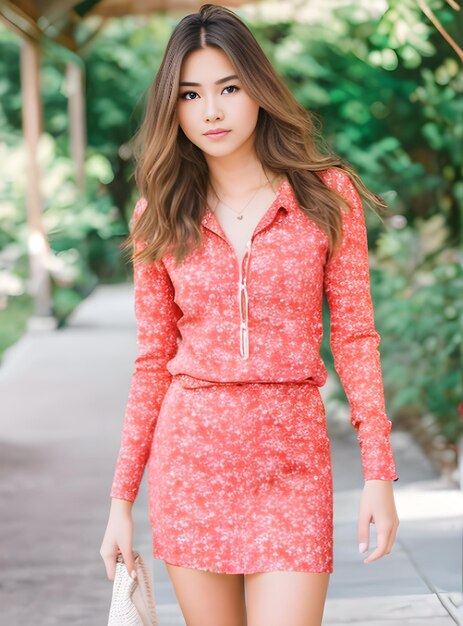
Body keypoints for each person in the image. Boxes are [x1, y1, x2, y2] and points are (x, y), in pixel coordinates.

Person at [100, 4, 400, 625]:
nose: (211, 111)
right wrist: (121, 501)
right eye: (190, 94)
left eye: (229, 88)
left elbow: (354, 335)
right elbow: (153, 359)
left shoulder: (325, 194)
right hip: (192, 467)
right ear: (173, 107)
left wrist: (379, 472)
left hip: (292, 466)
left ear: (259, 90)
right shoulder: (158, 214)